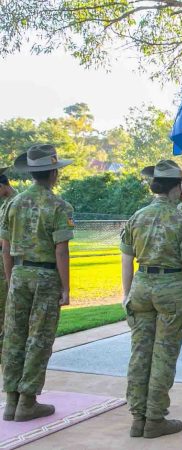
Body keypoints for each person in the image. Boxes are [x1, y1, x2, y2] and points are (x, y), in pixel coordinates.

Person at [120, 160, 182, 439]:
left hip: (141, 288)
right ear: (176, 188)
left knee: (140, 353)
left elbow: (126, 259)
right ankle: (155, 419)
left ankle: (137, 417)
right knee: (164, 354)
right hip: (171, 290)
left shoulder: (137, 216)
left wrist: (126, 293)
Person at [1, 145, 74, 422]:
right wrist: (65, 287)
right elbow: (60, 250)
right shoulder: (58, 206)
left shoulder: (13, 203)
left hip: (19, 274)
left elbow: (5, 247)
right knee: (39, 338)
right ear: (54, 173)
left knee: (14, 337)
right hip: (45, 277)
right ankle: (28, 402)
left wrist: (11, 280)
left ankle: (11, 401)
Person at [0, 167, 16, 361]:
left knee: (6, 310)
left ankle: (6, 351)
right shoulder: (5, 203)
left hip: (7, 262)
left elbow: (9, 240)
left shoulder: (15, 203)